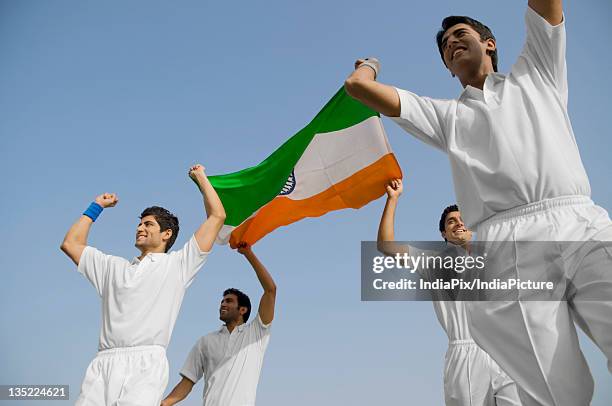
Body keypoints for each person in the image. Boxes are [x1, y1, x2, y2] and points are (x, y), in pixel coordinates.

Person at [345, 1, 612, 405]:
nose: (452, 43)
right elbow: (359, 89)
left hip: (577, 219)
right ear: (448, 69)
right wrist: (369, 64)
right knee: (557, 393)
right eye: (445, 45)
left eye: (461, 34)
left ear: (489, 43)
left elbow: (547, 9)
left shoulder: (537, 72)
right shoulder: (445, 115)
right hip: (505, 248)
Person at [60, 164, 226, 406]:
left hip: (146, 364)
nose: (140, 228)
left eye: (148, 224)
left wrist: (201, 178)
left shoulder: (178, 265)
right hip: (103, 363)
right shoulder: (112, 267)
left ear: (166, 234)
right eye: (140, 224)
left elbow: (217, 216)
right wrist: (96, 207)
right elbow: (70, 244)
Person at [378, 179, 522, 406]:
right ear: (443, 233)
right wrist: (393, 199)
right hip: (466, 355)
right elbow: (386, 246)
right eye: (451, 221)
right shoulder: (432, 262)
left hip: (504, 351)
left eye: (462, 219)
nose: (458, 223)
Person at [161, 242, 276, 406]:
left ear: (242, 310)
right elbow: (187, 382)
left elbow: (270, 290)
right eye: (222, 301)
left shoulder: (256, 332)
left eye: (229, 301)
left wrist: (248, 253)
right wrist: (164, 403)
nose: (223, 304)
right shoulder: (205, 342)